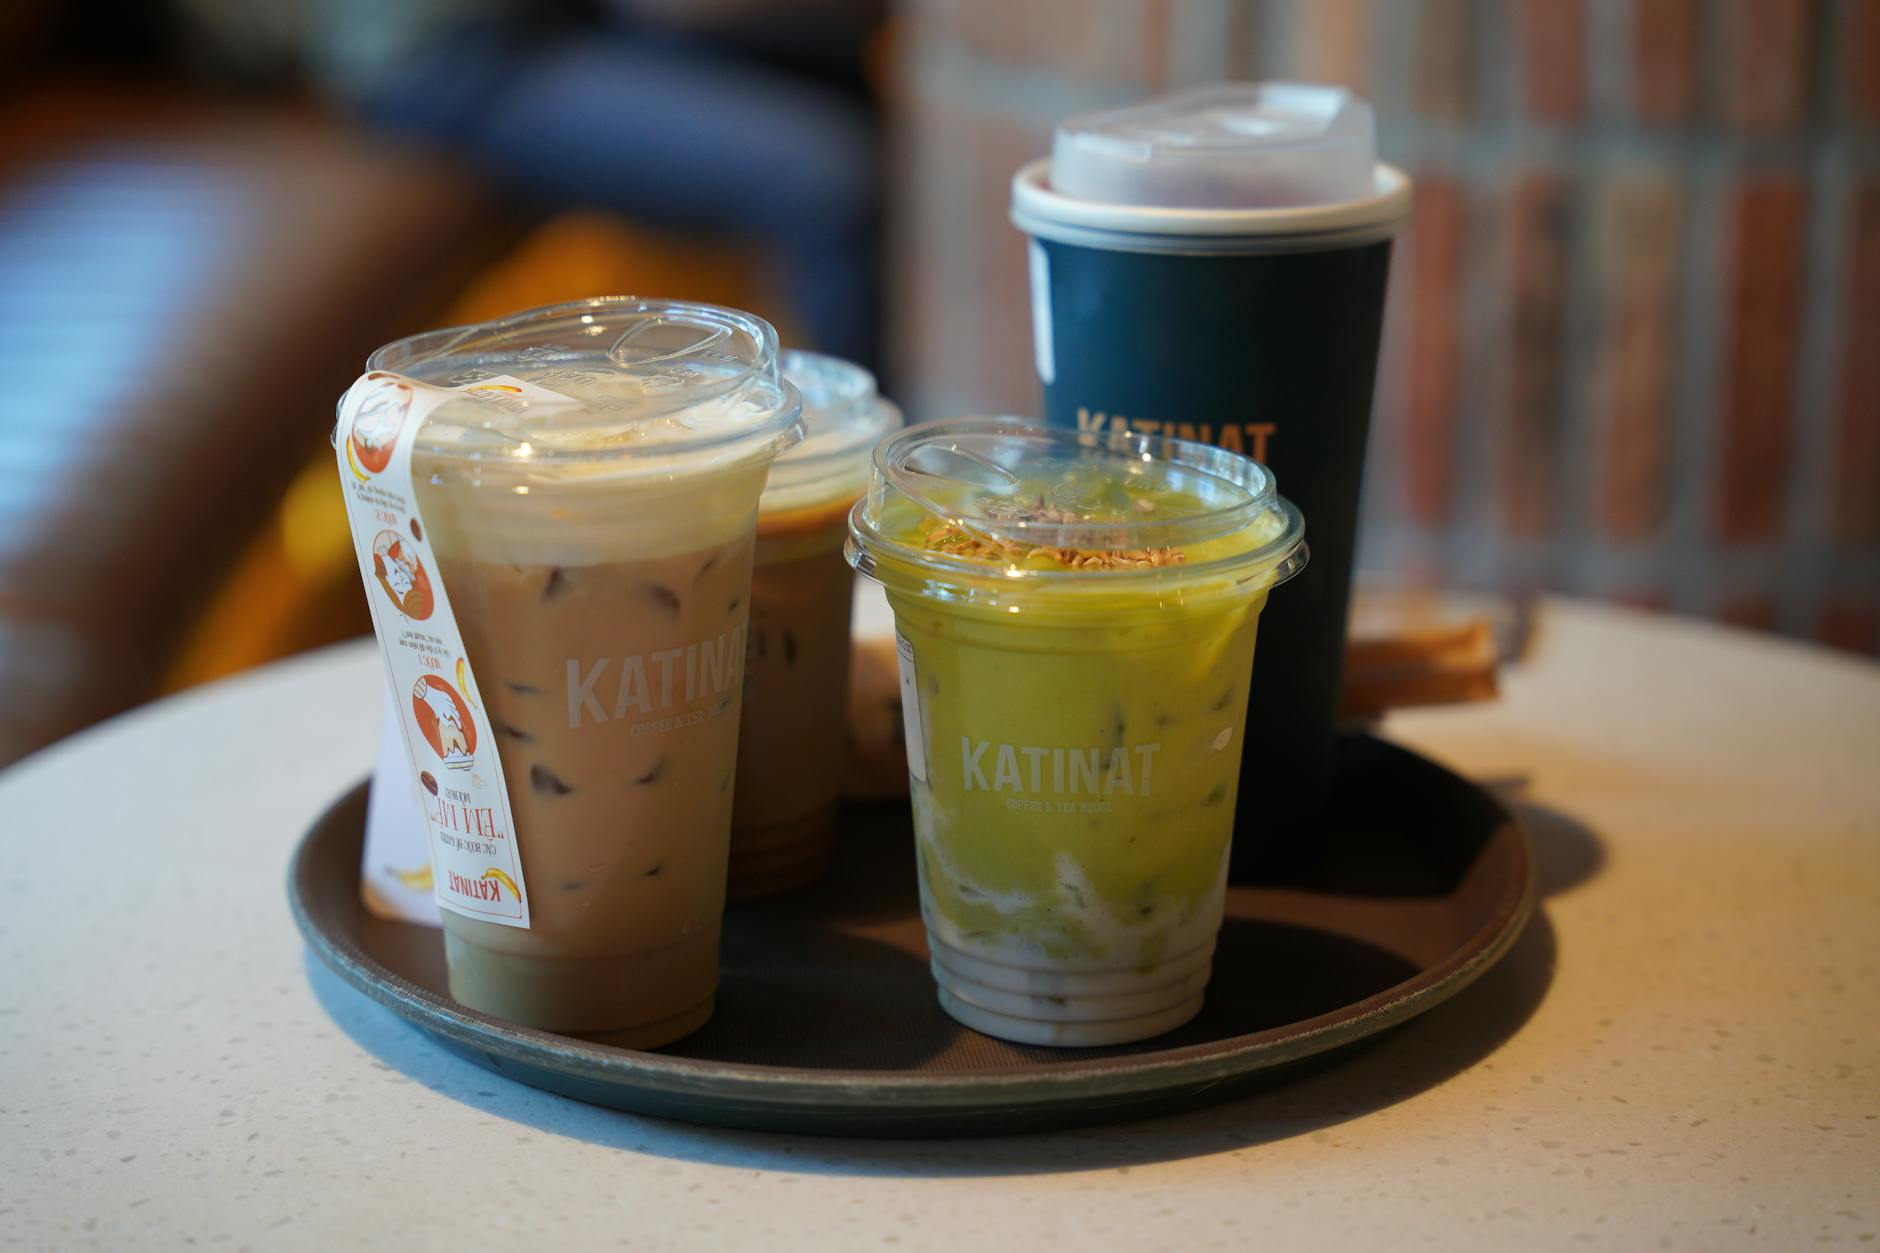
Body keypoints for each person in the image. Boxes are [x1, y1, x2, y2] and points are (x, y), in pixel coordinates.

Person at [179, 0, 887, 370]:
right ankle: (854, 511)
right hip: (450, 55)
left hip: (562, 21)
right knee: (827, 181)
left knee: (852, 88)